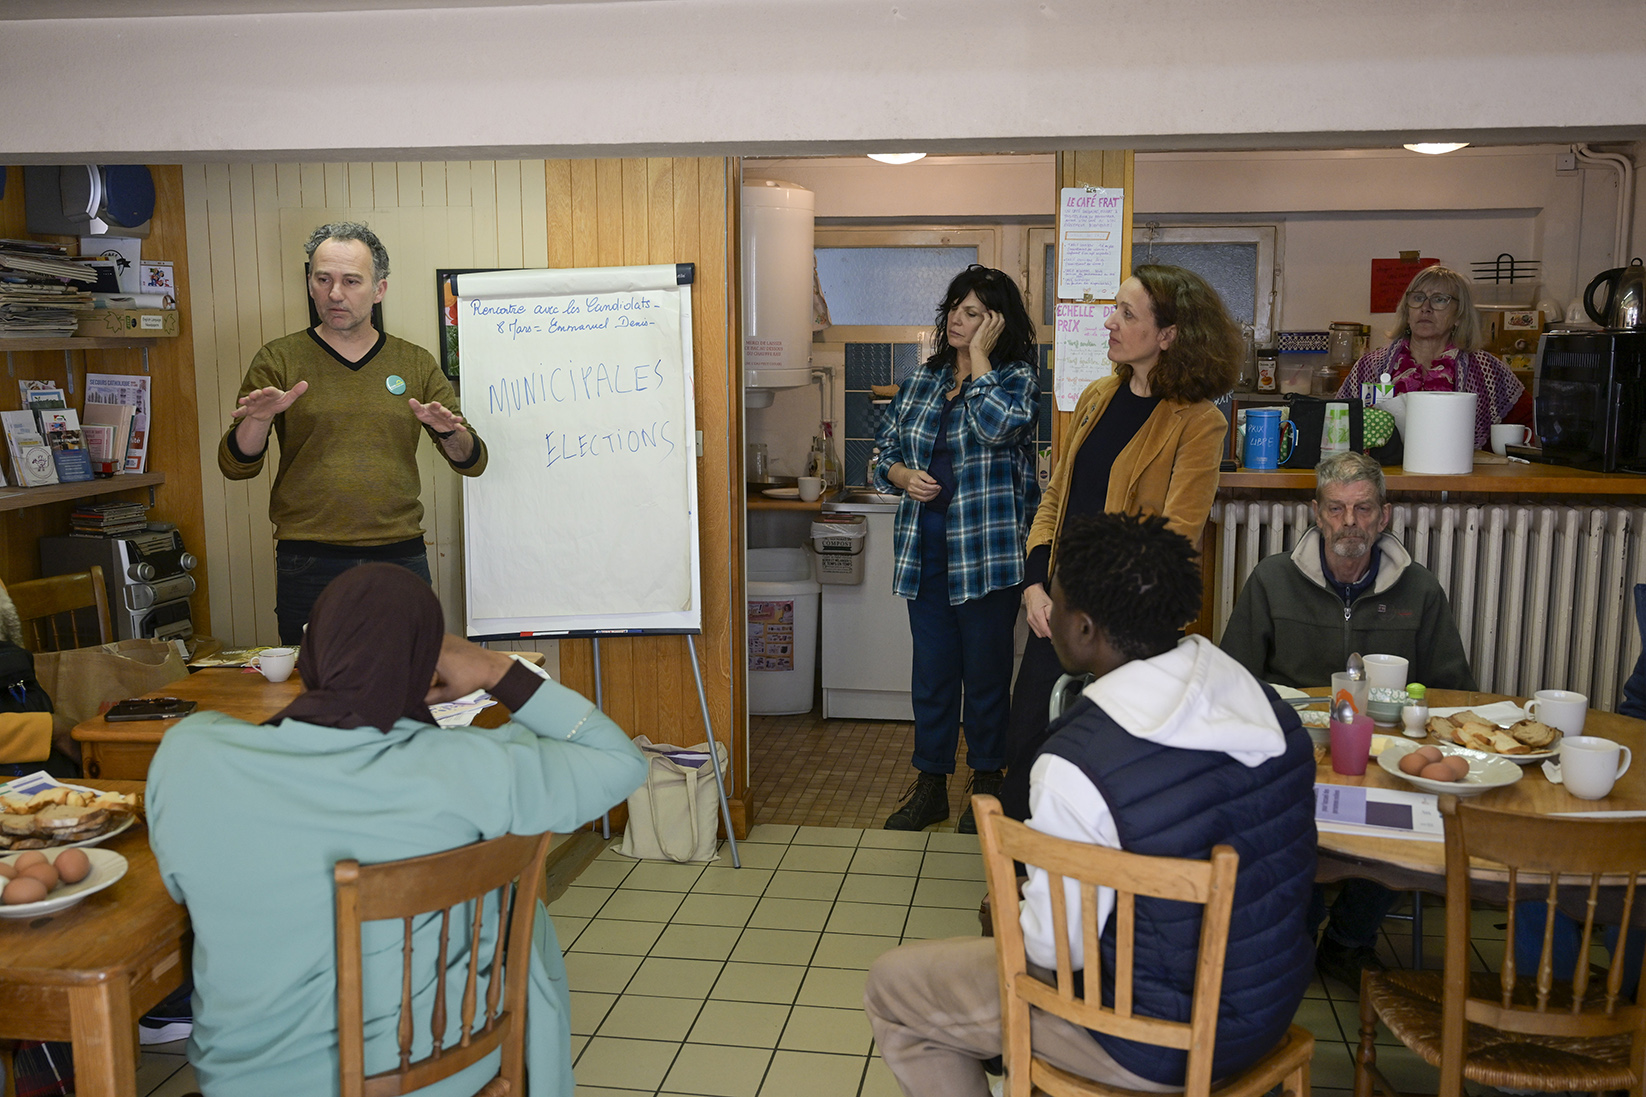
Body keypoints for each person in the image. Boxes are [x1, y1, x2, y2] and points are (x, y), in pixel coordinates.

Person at [147, 564, 647, 1097]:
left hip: (248, 1084)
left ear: (314, 652)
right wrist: (496, 669)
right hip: (441, 1077)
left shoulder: (192, 755)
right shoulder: (473, 768)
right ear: (424, 664)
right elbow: (621, 762)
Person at [863, 513, 1316, 1097]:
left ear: (1081, 628)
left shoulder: (1077, 760)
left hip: (1149, 1043)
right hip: (1267, 1008)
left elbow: (1055, 948)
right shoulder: (1271, 709)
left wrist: (1021, 911)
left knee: (894, 988)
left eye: (1055, 600)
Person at [1219, 450, 1476, 987]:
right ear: (1316, 513)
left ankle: (1347, 938)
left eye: (1362, 510)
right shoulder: (1272, 580)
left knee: (1420, 809)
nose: (1349, 523)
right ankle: (1299, 928)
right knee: (1272, 807)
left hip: (1386, 758)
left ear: (1385, 516)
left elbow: (1456, 695)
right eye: (1336, 509)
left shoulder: (1419, 589)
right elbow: (1231, 683)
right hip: (1295, 752)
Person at [999, 264, 1240, 826]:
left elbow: (1177, 535)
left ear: (1170, 335)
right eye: (1114, 308)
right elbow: (1056, 497)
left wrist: (1100, 611)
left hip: (1126, 626)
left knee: (1103, 766)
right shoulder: (1096, 396)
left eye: (1126, 314)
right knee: (1028, 745)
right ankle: (1015, 886)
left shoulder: (1199, 422)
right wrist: (1036, 585)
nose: (1108, 321)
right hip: (1056, 609)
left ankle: (1090, 888)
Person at [218, 221, 488, 643]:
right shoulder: (279, 359)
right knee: (313, 689)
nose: (335, 293)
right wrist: (258, 419)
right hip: (308, 560)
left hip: (399, 556)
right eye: (323, 279)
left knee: (408, 678)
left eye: (351, 281)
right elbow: (236, 467)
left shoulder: (414, 362)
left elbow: (473, 461)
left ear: (379, 289)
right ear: (311, 284)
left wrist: (449, 432)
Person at [869, 265, 1041, 832]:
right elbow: (882, 448)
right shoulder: (924, 379)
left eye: (973, 314)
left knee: (988, 673)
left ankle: (987, 781)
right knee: (934, 673)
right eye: (954, 310)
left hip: (987, 554)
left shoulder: (1014, 379)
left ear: (996, 323)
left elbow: (999, 429)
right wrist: (899, 474)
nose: (956, 321)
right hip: (926, 551)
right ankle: (931, 784)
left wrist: (983, 363)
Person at [1335, 265, 1532, 451]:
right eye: (1418, 298)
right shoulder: (1371, 365)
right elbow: (1335, 422)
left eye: (1440, 299)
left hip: (1459, 480)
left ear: (1459, 316)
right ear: (1407, 311)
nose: (1425, 307)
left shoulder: (1487, 369)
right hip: (1384, 479)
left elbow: (1528, 424)